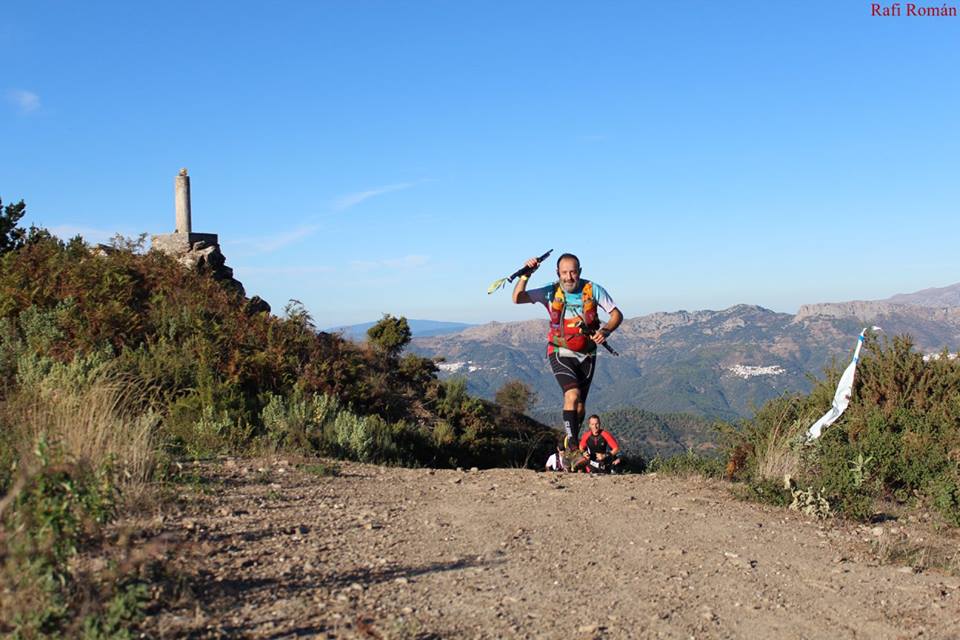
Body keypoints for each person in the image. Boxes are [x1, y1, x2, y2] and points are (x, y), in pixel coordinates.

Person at [512, 252, 622, 448]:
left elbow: (616, 315)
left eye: (573, 272)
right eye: (564, 273)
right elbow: (517, 298)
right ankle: (572, 446)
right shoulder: (550, 291)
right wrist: (526, 275)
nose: (569, 277)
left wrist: (605, 331)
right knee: (572, 395)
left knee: (580, 407)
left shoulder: (593, 290)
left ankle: (572, 437)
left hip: (587, 353)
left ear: (580, 271)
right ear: (558, 273)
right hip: (559, 350)